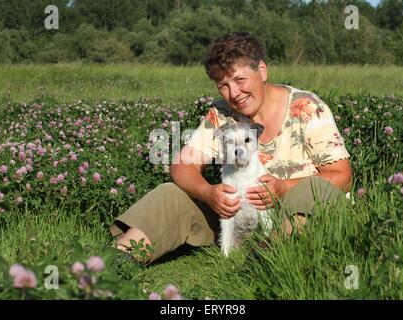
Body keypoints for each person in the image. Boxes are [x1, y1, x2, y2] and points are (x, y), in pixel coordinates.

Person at [110, 32, 353, 263]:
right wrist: (208, 192)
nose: (234, 93)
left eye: (239, 79)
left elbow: (343, 175)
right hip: (234, 219)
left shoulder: (306, 106)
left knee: (313, 189)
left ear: (262, 70)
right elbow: (183, 165)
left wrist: (283, 188)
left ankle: (266, 263)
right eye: (223, 85)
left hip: (292, 213)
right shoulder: (222, 113)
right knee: (171, 193)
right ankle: (114, 262)